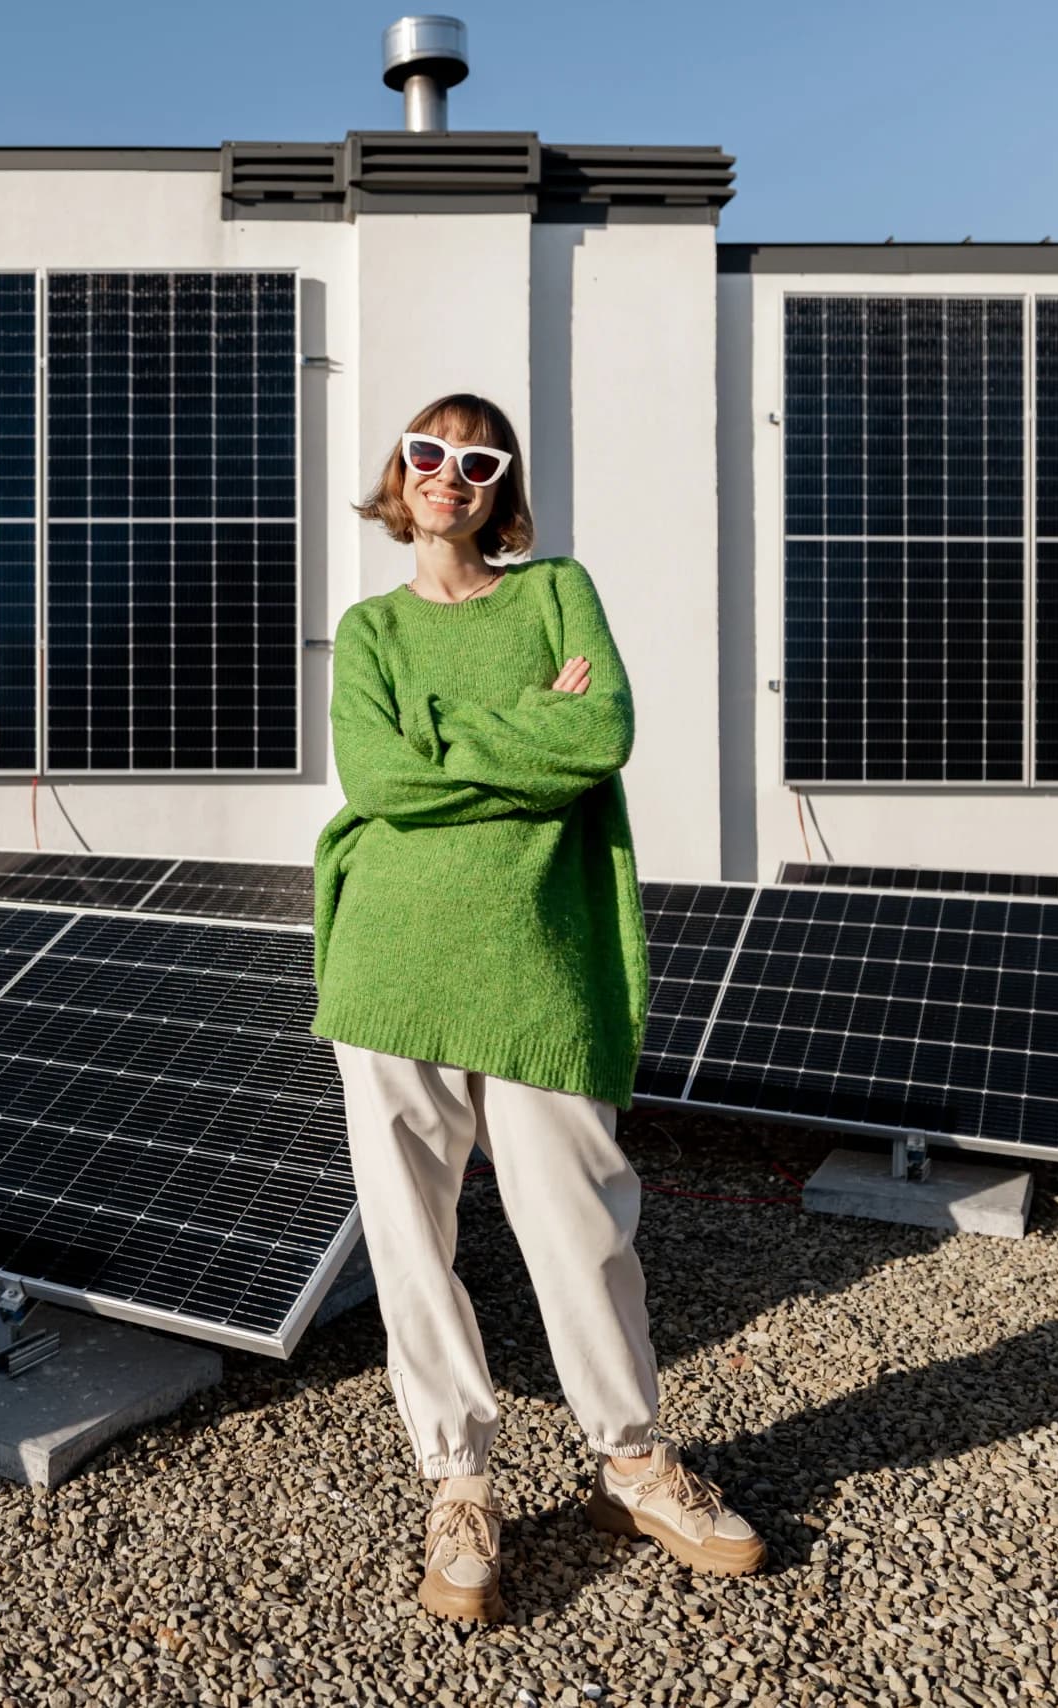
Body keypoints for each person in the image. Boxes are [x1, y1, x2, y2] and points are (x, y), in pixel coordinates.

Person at [311, 393, 766, 1623]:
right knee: (411, 1237)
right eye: (425, 453)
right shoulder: (367, 631)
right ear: (396, 476)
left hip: (541, 958)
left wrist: (451, 735)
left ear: (501, 482)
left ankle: (632, 1461)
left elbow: (600, 731)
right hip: (391, 960)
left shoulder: (557, 588)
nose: (445, 474)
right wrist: (521, 732)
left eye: (475, 458)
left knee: (579, 1221)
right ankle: (457, 1482)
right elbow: (378, 776)